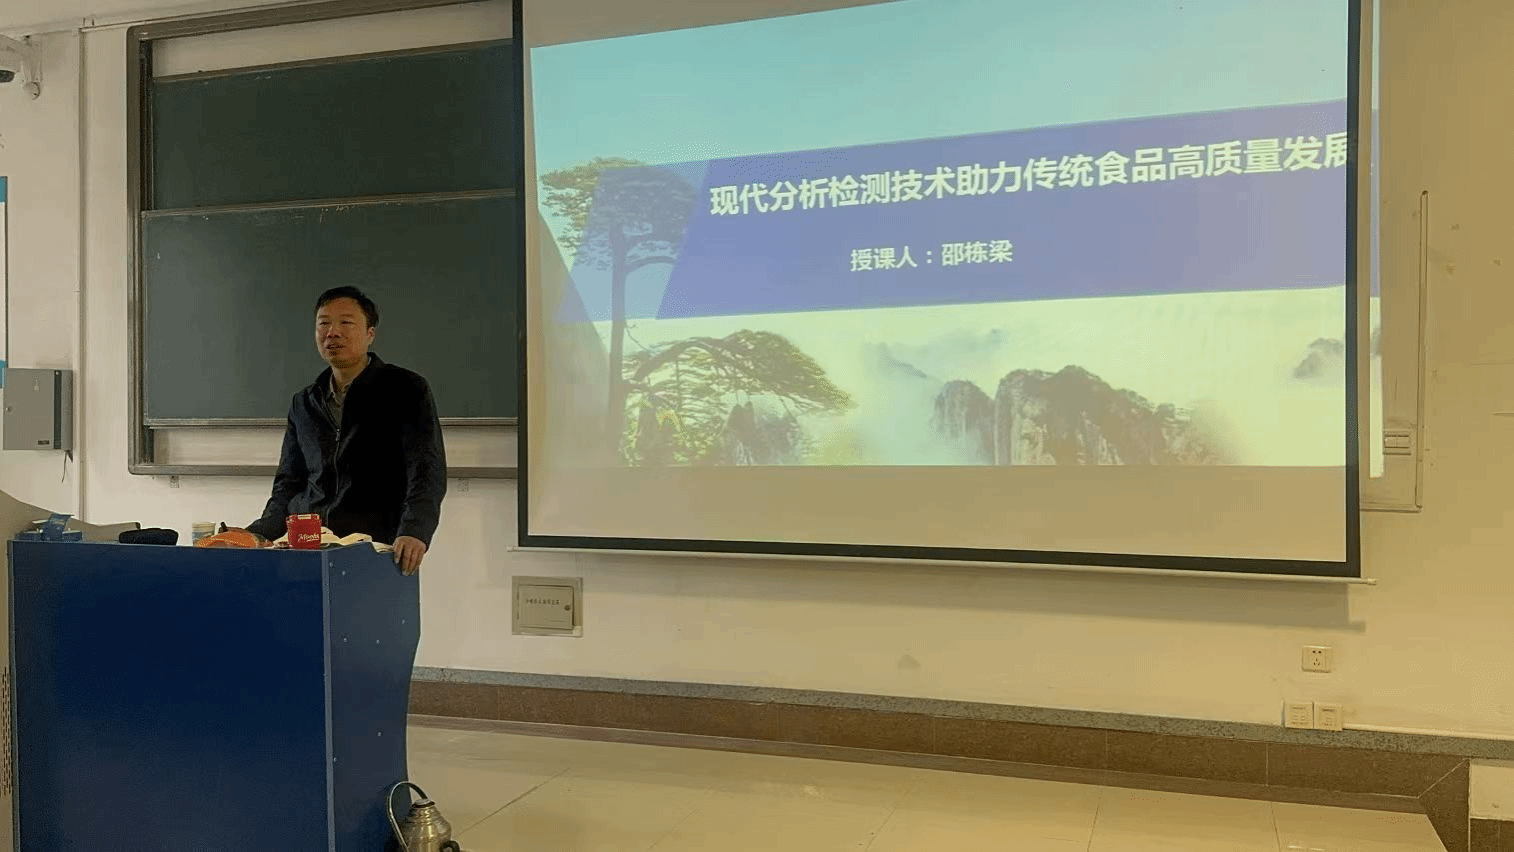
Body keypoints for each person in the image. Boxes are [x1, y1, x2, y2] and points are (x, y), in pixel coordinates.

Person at [245, 287, 446, 573]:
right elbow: (289, 483)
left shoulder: (405, 389)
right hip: (307, 548)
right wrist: (260, 533)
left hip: (376, 547)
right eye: (324, 323)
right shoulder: (305, 402)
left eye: (346, 323)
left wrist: (415, 530)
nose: (332, 332)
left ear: (370, 334)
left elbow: (427, 469)